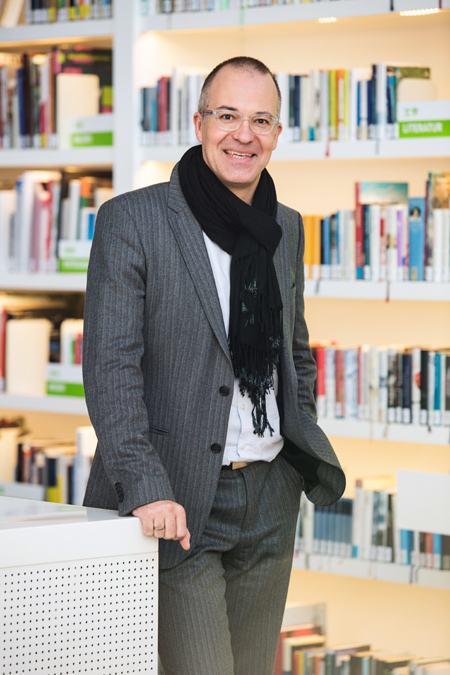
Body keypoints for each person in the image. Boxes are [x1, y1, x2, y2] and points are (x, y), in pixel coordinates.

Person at [82, 56, 345, 675]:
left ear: (277, 135)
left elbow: (293, 350)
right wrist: (146, 488)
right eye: (227, 116)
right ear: (199, 123)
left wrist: (295, 442)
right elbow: (111, 368)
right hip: (176, 500)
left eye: (261, 120)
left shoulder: (285, 226)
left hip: (270, 495)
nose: (243, 134)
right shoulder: (133, 219)